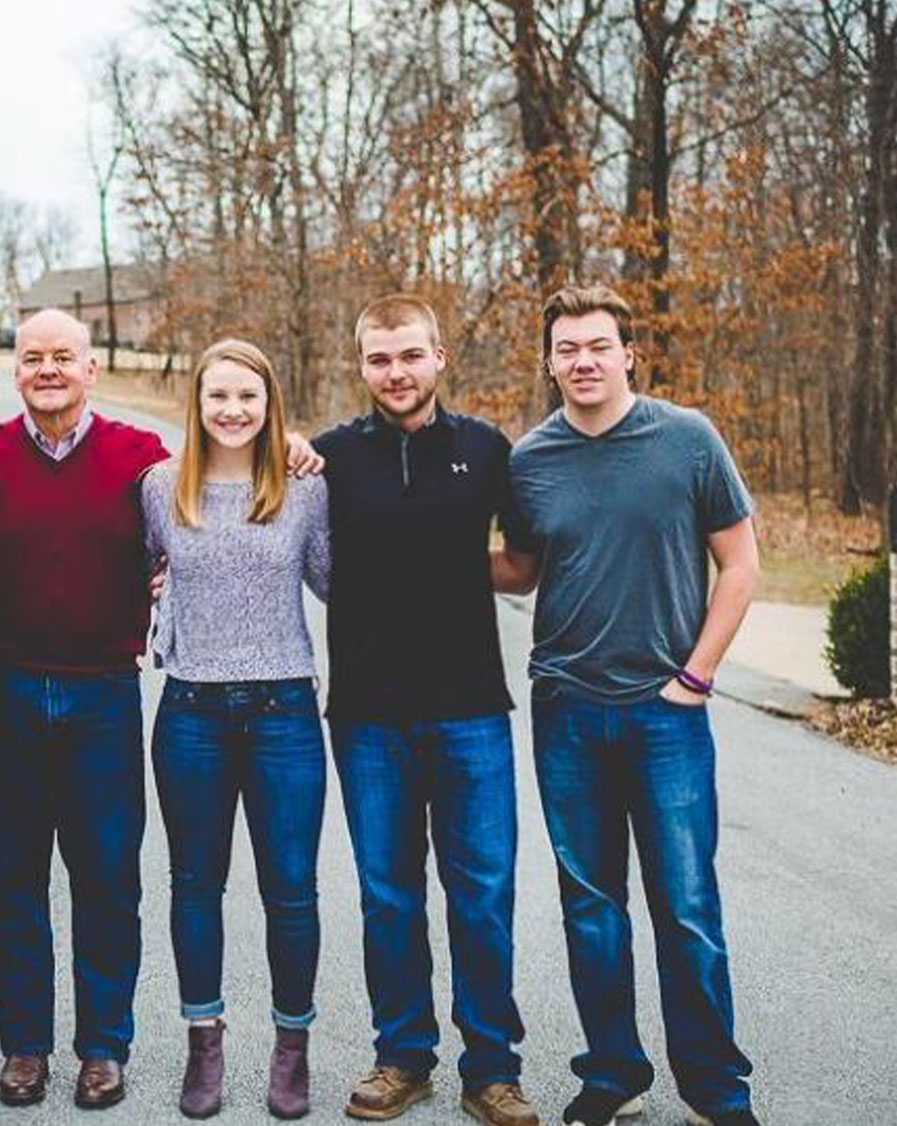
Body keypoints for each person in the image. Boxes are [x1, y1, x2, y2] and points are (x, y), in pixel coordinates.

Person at [497, 285, 763, 1126]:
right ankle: (613, 1072)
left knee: (685, 909)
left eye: (598, 346)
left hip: (667, 716)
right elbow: (522, 572)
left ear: (628, 353)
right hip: (566, 710)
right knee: (591, 908)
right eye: (567, 348)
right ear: (550, 362)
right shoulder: (530, 459)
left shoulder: (688, 441)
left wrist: (697, 676)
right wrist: (421, 553)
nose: (583, 361)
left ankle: (716, 1089)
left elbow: (743, 564)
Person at [312, 295, 538, 1126]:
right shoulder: (328, 457)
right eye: (380, 359)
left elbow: (522, 563)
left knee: (481, 893)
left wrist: (446, 569)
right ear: (362, 365)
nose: (396, 373)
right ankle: (402, 1056)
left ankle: (493, 1070)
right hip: (367, 716)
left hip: (471, 709)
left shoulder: (484, 449)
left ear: (440, 357)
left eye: (410, 355)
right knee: (389, 894)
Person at [0, 308, 171, 1110]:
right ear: (16, 370)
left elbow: (209, 509)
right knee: (15, 882)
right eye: (33, 357)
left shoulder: (140, 457)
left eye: (64, 356)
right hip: (9, 694)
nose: (48, 369)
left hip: (103, 695)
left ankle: (103, 1045)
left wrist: (297, 453)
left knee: (107, 879)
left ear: (92, 368)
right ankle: (25, 1045)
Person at [141, 339, 331, 1119]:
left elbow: (336, 580)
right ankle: (204, 1041)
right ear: (197, 402)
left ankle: (293, 1047)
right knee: (195, 885)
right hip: (190, 713)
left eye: (247, 397)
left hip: (285, 709)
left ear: (270, 405)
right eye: (218, 396)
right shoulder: (159, 489)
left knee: (291, 890)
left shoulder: (303, 486)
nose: (232, 410)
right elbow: (128, 568)